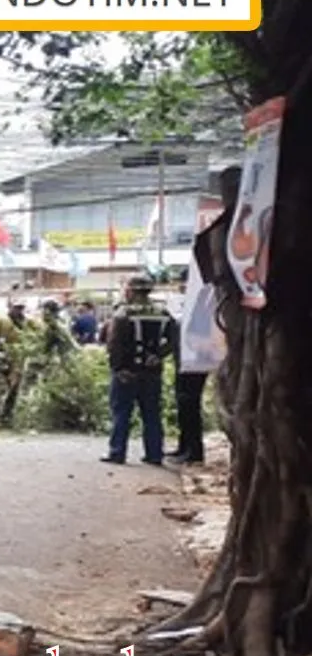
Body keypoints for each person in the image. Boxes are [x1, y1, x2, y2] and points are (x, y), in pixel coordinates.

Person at [174, 166, 241, 464]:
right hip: (192, 354)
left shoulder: (205, 299)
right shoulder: (196, 300)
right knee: (184, 402)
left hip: (202, 354)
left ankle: (193, 450)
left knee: (190, 401)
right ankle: (186, 447)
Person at [104, 275, 180, 466]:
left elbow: (114, 344)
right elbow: (173, 339)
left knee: (121, 412)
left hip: (127, 371)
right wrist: (159, 355)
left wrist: (118, 368)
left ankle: (117, 452)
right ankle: (154, 454)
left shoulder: (123, 313)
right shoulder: (162, 312)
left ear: (130, 291)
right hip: (152, 372)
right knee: (152, 414)